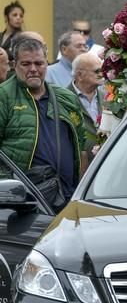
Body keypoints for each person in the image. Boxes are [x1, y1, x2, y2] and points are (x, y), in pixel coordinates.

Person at [0, 38, 87, 208]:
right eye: (26, 64)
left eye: (39, 63)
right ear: (14, 64)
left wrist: (82, 192)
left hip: (68, 198)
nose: (33, 69)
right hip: (24, 204)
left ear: (47, 64)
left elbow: (80, 145)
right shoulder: (3, 97)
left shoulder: (66, 97)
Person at [70, 53, 103, 125]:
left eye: (102, 70)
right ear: (80, 75)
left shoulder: (106, 98)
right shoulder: (63, 98)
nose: (101, 74)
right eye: (97, 71)